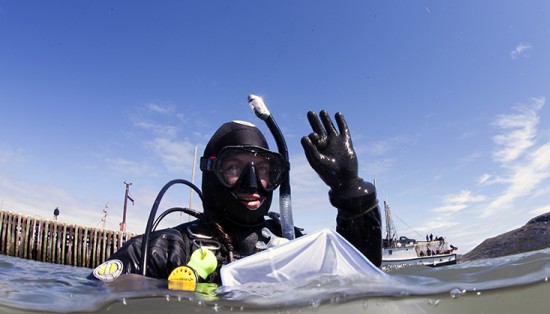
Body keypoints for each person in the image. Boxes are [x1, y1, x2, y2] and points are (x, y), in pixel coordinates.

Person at [93, 110, 381, 285]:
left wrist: (350, 189)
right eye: (233, 168)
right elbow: (97, 301)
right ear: (210, 171)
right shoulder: (164, 251)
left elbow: (365, 278)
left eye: (265, 170)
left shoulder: (291, 247)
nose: (253, 183)